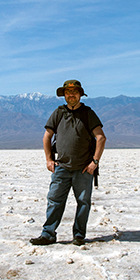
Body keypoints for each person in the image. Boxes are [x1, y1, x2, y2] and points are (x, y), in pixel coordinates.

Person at [30, 80, 106, 246]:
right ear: (64, 95)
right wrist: (49, 159)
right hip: (61, 167)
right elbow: (47, 136)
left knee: (83, 203)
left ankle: (79, 236)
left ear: (80, 94)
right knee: (54, 201)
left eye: (75, 92)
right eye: (68, 92)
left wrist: (95, 162)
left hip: (84, 169)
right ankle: (48, 234)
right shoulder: (59, 113)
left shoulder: (88, 113)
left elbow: (101, 137)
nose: (71, 95)